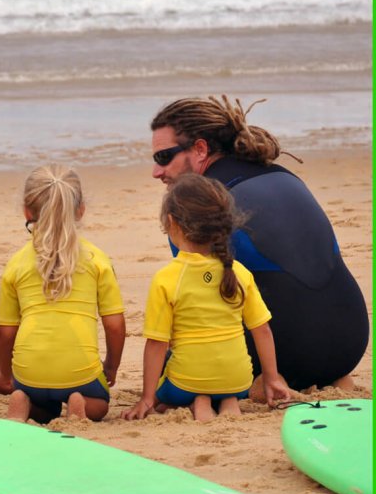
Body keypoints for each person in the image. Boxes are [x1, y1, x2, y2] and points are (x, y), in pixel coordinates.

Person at [149, 95, 369, 394]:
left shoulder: (192, 209)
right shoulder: (285, 176)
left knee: (179, 365)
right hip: (350, 343)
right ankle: (328, 377)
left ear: (200, 149)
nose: (157, 172)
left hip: (290, 354)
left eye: (164, 157)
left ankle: (262, 382)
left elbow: (194, 313)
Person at [124, 174, 291, 422]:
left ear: (172, 222)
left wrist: (148, 398)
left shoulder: (168, 278)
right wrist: (272, 378)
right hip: (238, 380)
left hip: (185, 382)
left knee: (169, 379)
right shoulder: (238, 272)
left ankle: (198, 400)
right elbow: (262, 330)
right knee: (224, 381)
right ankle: (228, 400)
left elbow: (157, 343)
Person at [0, 164, 126, 423]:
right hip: (81, 374)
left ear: (26, 210)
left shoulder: (17, 263)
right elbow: (114, 325)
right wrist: (110, 365)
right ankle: (80, 404)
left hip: (28, 372)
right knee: (100, 405)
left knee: (42, 406)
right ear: (81, 210)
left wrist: (7, 374)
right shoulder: (96, 259)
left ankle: (23, 400)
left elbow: (6, 332)